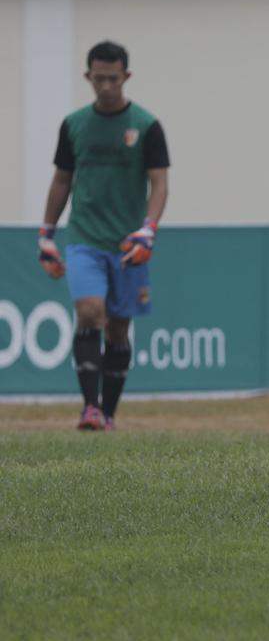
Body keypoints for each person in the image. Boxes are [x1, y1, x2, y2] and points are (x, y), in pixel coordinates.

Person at [37, 40, 170, 431]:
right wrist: (47, 234)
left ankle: (108, 414)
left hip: (128, 242)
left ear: (126, 77)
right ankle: (89, 408)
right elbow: (62, 179)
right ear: (88, 77)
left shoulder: (146, 126)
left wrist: (149, 229)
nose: (107, 86)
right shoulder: (74, 124)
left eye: (114, 78)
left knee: (117, 327)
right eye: (99, 78)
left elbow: (159, 183)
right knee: (90, 312)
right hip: (84, 237)